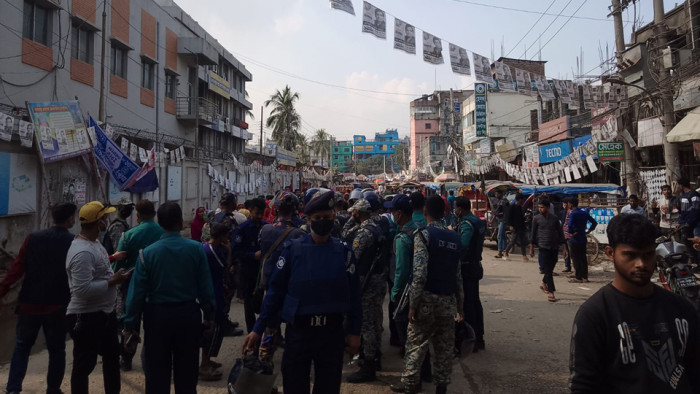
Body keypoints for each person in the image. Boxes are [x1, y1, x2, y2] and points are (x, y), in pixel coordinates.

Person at [242, 189, 362, 394]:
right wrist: (258, 328)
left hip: (331, 332)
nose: (322, 221)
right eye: (317, 218)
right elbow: (275, 293)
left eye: (327, 217)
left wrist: (354, 332)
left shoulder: (344, 252)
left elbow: (354, 296)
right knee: (295, 385)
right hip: (299, 332)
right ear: (307, 219)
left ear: (334, 217)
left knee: (328, 386)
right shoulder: (292, 250)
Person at [569, 214, 700, 393]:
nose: (641, 264)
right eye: (630, 255)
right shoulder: (595, 315)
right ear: (610, 253)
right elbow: (583, 384)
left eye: (648, 255)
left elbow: (694, 371)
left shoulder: (682, 309)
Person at [123, 202, 216, 393]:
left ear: (160, 222)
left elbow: (136, 294)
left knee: (157, 372)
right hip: (188, 316)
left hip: (157, 318)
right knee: (187, 372)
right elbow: (206, 288)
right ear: (181, 222)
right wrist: (210, 314)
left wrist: (130, 325)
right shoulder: (196, 249)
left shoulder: (146, 254)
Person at [0, 203, 78, 394]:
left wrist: (2, 290)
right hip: (57, 306)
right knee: (57, 350)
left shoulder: (32, 238)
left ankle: (13, 389)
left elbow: (16, 269)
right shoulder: (73, 242)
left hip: (29, 304)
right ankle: (53, 389)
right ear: (70, 219)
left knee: (22, 347)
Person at [391, 196, 463, 394]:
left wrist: (412, 303)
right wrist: (460, 307)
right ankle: (441, 387)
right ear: (444, 213)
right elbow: (458, 277)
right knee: (444, 348)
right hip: (448, 301)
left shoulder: (423, 235)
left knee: (415, 345)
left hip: (425, 301)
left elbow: (419, 272)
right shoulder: (455, 238)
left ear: (424, 213)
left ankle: (409, 384)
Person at [66, 201, 131, 394]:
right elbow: (82, 290)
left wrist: (113, 261)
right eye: (105, 217)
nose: (107, 219)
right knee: (84, 365)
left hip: (104, 313)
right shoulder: (82, 252)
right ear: (99, 222)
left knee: (111, 357)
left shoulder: (94, 243)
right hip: (86, 317)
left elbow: (99, 266)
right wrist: (113, 281)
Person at [114, 199, 163, 371]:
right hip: (157, 284)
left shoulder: (128, 235)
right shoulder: (162, 233)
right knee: (154, 323)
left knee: (130, 321)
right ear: (154, 214)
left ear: (137, 216)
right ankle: (153, 359)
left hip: (131, 284)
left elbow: (118, 266)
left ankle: (126, 359)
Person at [346, 197, 388, 383]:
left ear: (358, 213)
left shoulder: (364, 233)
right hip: (378, 282)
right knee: (376, 319)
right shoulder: (376, 227)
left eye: (354, 212)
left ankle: (369, 365)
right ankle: (375, 356)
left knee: (368, 324)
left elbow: (353, 258)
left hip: (367, 284)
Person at [199, 223, 231, 381]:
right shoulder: (214, 251)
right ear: (221, 236)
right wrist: (229, 251)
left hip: (210, 292)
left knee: (212, 328)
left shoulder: (204, 248)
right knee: (213, 329)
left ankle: (208, 360)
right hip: (213, 293)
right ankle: (204, 365)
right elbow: (226, 268)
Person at [455, 196, 486, 352]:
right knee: (475, 302)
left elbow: (464, 245)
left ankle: (471, 339)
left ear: (460, 209)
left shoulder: (466, 224)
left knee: (468, 304)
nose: (455, 211)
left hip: (467, 267)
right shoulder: (477, 221)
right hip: (476, 265)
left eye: (455, 208)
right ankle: (479, 337)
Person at [232, 198, 268, 333]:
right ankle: (252, 331)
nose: (259, 216)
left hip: (264, 269)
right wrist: (253, 255)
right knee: (248, 301)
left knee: (266, 300)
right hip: (248, 270)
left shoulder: (266, 227)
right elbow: (236, 251)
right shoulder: (242, 229)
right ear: (250, 211)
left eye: (261, 213)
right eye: (256, 213)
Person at [529, 198, 565, 303]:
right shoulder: (536, 219)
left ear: (548, 208)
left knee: (552, 265)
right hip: (543, 246)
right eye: (539, 207)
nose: (540, 209)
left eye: (542, 207)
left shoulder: (554, 219)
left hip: (554, 246)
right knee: (548, 271)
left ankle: (544, 283)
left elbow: (560, 232)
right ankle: (551, 292)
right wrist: (531, 247)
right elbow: (532, 233)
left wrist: (564, 247)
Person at [567, 199, 597, 284]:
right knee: (583, 258)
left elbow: (569, 225)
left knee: (576, 258)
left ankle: (578, 277)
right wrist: (589, 230)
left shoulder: (573, 213)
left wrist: (571, 233)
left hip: (575, 239)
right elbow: (594, 222)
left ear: (571, 205)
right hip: (583, 237)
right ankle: (585, 277)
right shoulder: (584, 213)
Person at [677, 177, 700, 260]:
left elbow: (696, 210)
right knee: (687, 244)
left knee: (696, 244)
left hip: (695, 225)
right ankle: (694, 262)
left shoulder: (694, 195)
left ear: (681, 185)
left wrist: (689, 222)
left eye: (678, 185)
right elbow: (682, 212)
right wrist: (680, 223)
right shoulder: (683, 196)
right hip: (686, 225)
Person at [504, 193, 528, 262]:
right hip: (515, 227)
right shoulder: (512, 206)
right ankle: (505, 252)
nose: (523, 201)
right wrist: (510, 226)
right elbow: (509, 217)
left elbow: (520, 217)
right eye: (522, 199)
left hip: (521, 227)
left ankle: (524, 256)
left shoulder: (520, 207)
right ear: (519, 199)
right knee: (513, 241)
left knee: (523, 241)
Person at [493, 190, 509, 259]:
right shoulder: (503, 201)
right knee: (502, 236)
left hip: (503, 220)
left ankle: (500, 252)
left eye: (496, 194)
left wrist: (497, 213)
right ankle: (505, 251)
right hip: (501, 220)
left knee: (500, 236)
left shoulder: (502, 201)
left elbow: (503, 211)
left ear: (500, 194)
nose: (495, 195)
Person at [560, 199, 573, 273]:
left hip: (569, 234)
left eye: (566, 204)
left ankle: (573, 267)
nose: (565, 206)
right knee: (565, 250)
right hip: (563, 233)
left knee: (571, 251)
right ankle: (567, 266)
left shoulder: (571, 213)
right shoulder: (562, 212)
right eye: (563, 204)